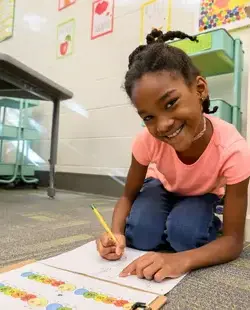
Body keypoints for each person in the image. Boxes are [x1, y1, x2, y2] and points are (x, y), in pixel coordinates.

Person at [96, 29, 250, 282]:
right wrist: (115, 234)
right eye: (148, 117)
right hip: (160, 186)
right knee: (142, 235)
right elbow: (127, 195)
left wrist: (181, 260)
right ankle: (166, 221)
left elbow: (234, 241)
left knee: (186, 237)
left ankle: (188, 223)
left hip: (202, 194)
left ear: (200, 89)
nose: (163, 125)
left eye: (170, 103)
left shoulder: (234, 149)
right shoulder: (146, 141)